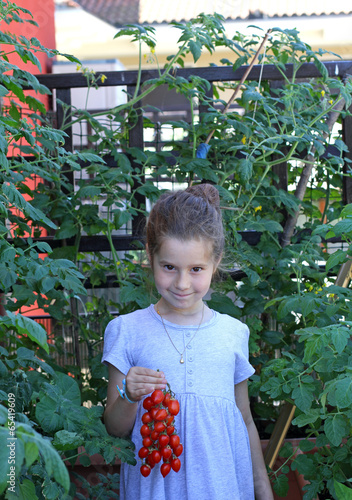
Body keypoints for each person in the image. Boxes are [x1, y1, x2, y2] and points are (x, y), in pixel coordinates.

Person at [102, 184, 274, 500]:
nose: (182, 283)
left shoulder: (233, 333)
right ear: (150, 255)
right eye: (169, 267)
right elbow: (116, 427)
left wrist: (262, 489)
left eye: (196, 269)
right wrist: (129, 393)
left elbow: (245, 420)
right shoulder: (126, 330)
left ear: (216, 261)